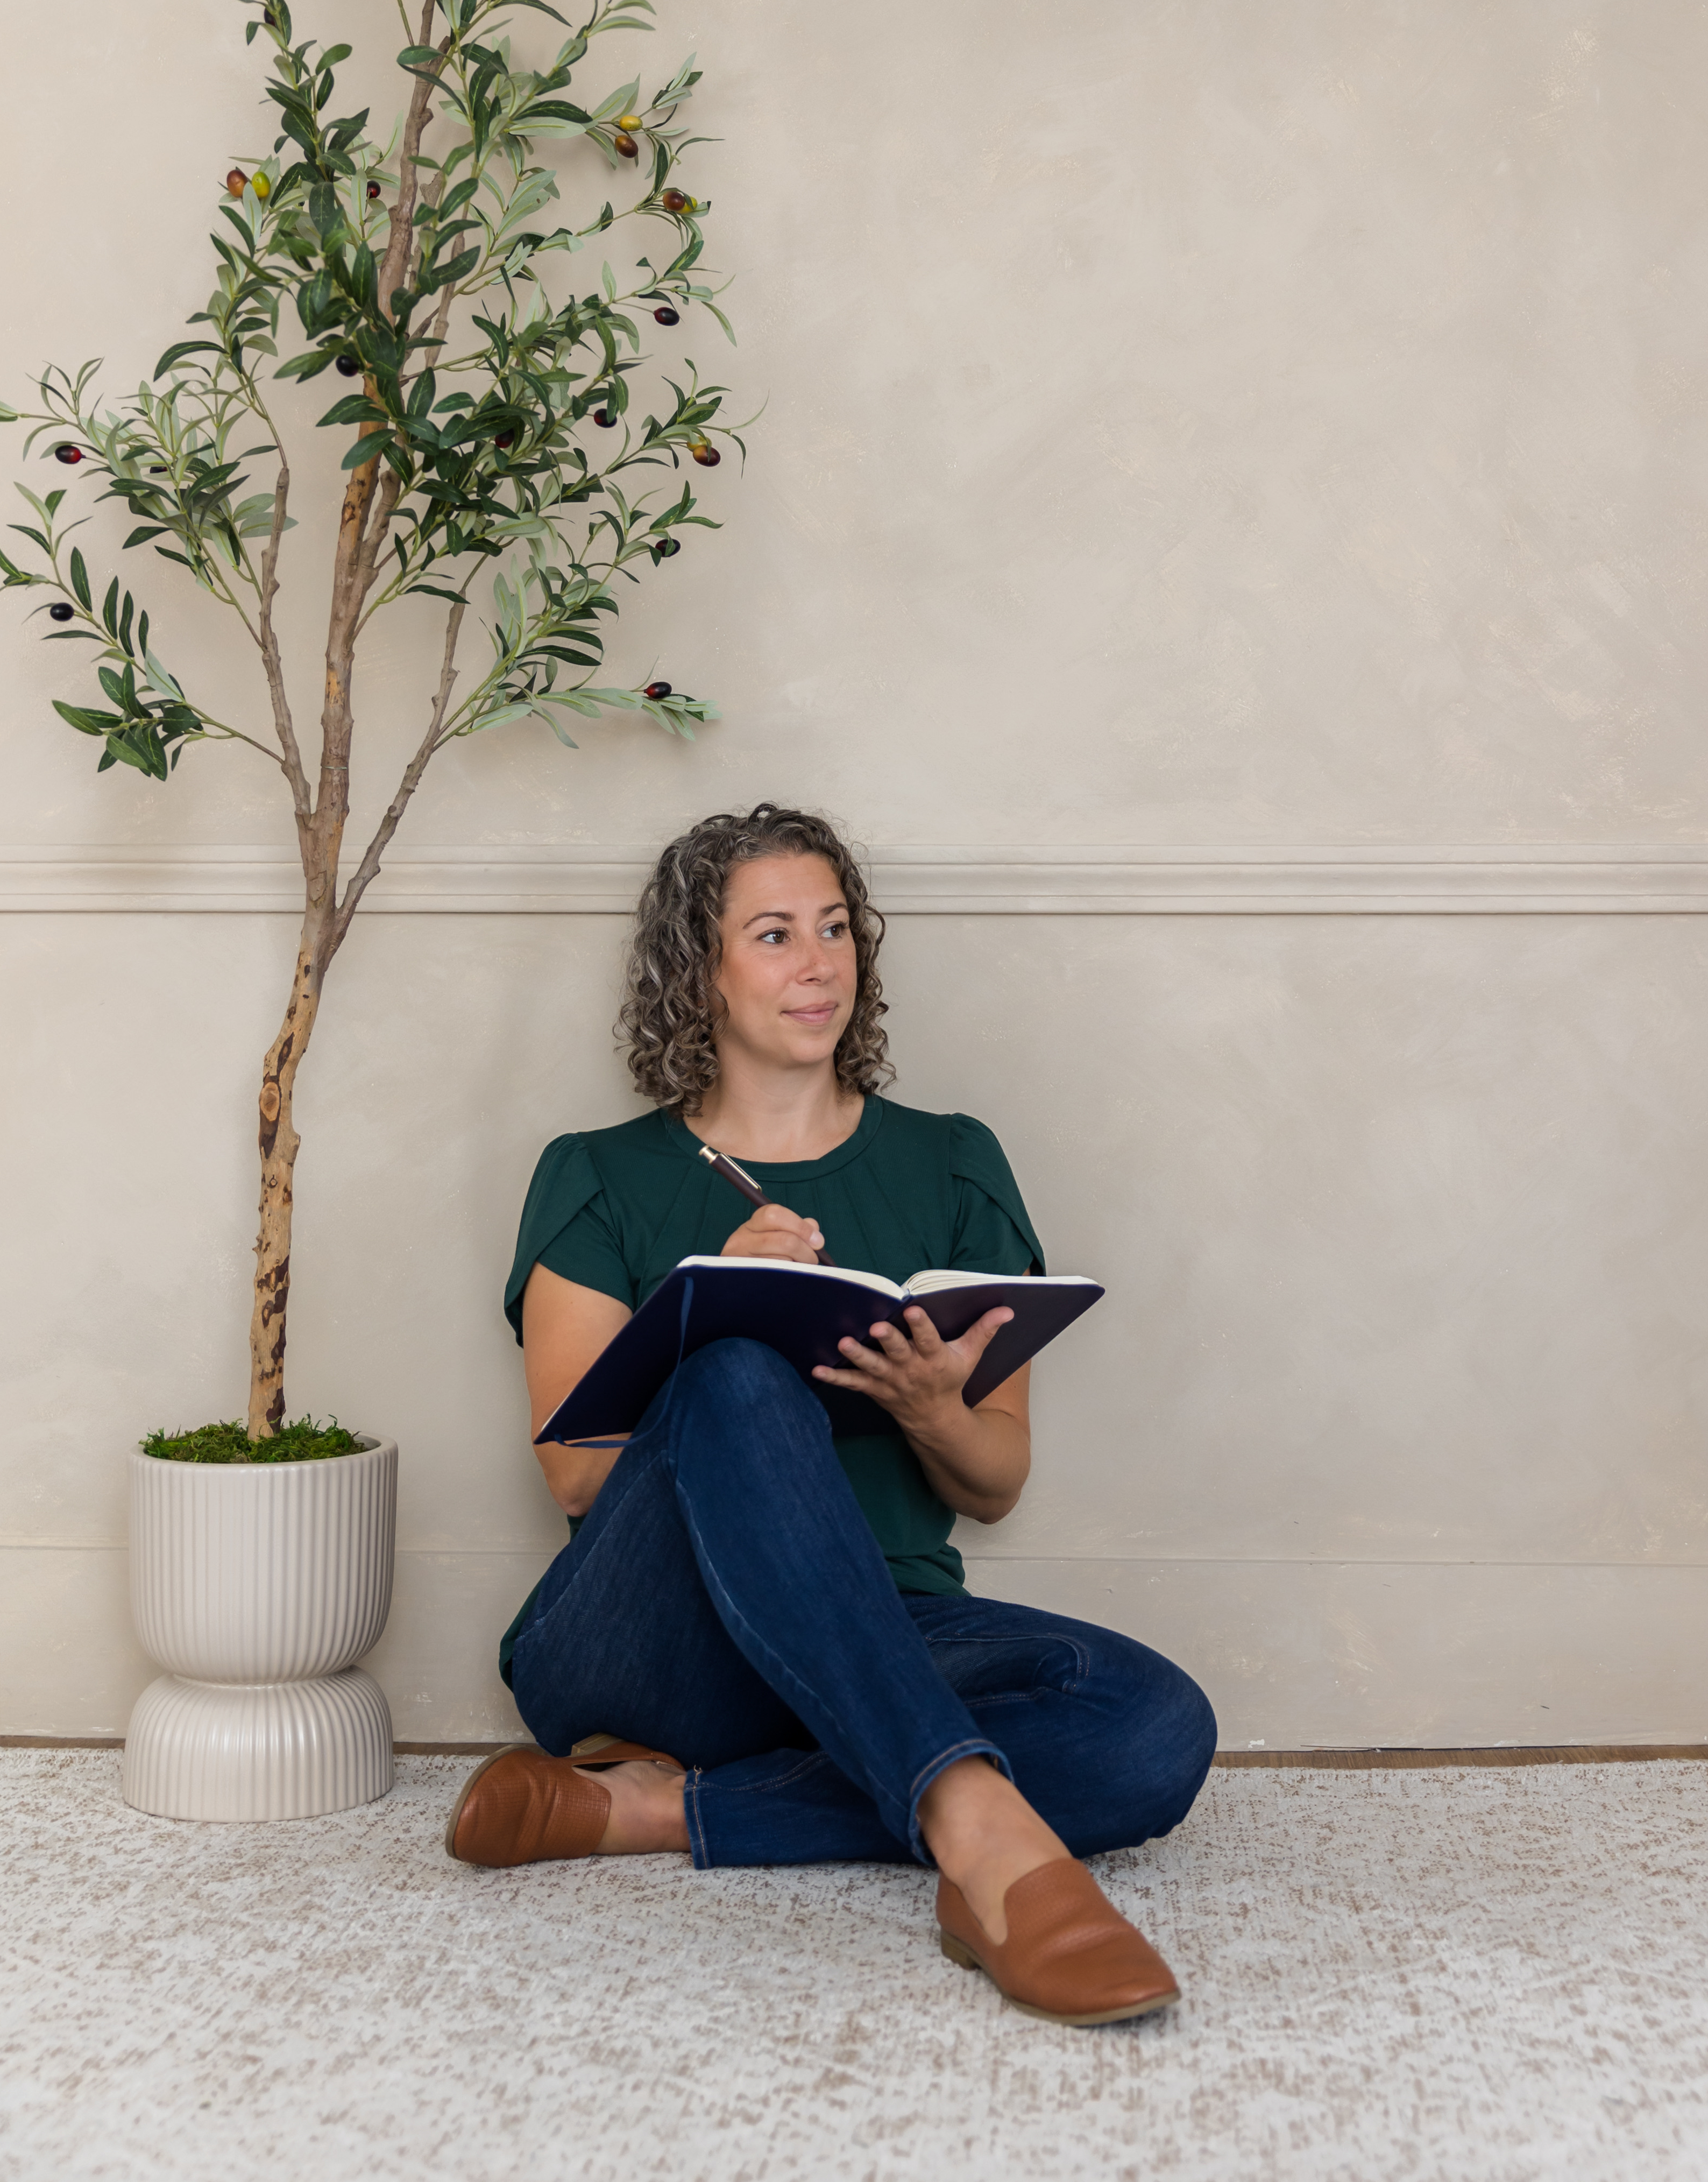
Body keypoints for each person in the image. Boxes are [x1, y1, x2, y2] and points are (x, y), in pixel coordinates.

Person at [446, 802, 1215, 2026]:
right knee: (734, 1371)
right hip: (654, 1648)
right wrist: (709, 1301)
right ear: (699, 970)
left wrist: (931, 1406)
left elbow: (995, 1483)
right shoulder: (597, 1173)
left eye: (835, 927)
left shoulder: (953, 1161)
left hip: (889, 1628)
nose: (818, 964)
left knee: (1152, 1724)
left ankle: (656, 1809)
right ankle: (980, 1832)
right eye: (773, 934)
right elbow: (577, 1477)